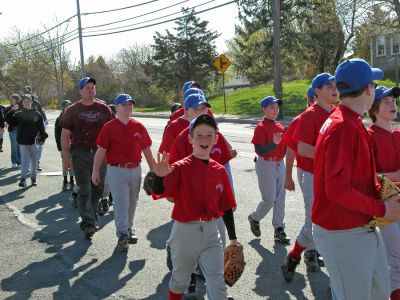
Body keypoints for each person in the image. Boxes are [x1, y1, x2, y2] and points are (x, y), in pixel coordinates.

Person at [312, 58, 400, 300]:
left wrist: (382, 190)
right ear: (369, 89)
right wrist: (382, 208)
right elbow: (337, 189)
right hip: (341, 232)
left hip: (361, 226)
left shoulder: (350, 120)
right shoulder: (342, 127)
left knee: (379, 292)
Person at [152, 114, 239, 300]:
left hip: (212, 230)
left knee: (217, 282)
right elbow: (160, 191)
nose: (204, 139)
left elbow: (226, 207)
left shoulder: (220, 170)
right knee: (180, 281)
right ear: (190, 139)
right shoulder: (180, 167)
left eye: (209, 135)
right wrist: (159, 176)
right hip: (185, 231)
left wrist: (233, 239)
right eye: (199, 135)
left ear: (216, 139)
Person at [281, 73, 337, 280]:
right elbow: (299, 149)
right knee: (314, 222)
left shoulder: (338, 113)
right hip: (311, 174)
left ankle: (316, 256)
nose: (334, 89)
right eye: (328, 86)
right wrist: (288, 176)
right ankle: (297, 255)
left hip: (332, 174)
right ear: (317, 92)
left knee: (330, 220)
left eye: (335, 85)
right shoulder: (307, 117)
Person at [92, 93, 154, 251]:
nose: (128, 108)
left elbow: (147, 150)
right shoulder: (109, 127)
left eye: (130, 105)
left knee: (133, 201)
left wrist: (154, 171)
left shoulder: (138, 126)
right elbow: (100, 151)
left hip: (135, 169)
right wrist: (95, 171)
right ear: (116, 108)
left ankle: (128, 228)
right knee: (121, 202)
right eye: (124, 105)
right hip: (116, 170)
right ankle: (122, 233)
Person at [61, 77, 114, 240]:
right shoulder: (72, 110)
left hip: (100, 153)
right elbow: (65, 134)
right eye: (87, 87)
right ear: (80, 91)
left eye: (92, 87)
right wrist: (66, 158)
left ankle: (90, 216)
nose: (91, 90)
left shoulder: (104, 109)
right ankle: (88, 222)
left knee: (97, 188)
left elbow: (112, 131)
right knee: (84, 188)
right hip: (80, 153)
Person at [368, 85, 400, 300]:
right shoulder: (369, 135)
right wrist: (394, 174)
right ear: (375, 109)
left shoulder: (398, 133)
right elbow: (367, 175)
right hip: (384, 204)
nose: (393, 104)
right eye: (386, 101)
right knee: (396, 258)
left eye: (393, 100)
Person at [248, 96, 289, 244]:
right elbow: (260, 151)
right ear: (264, 109)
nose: (275, 110)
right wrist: (274, 144)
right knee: (270, 199)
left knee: (280, 199)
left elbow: (286, 148)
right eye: (271, 107)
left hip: (280, 164)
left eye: (276, 107)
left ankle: (279, 228)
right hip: (266, 164)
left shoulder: (279, 126)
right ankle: (254, 217)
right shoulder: (261, 127)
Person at [6, 94, 48, 187]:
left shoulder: (37, 114)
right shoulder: (19, 113)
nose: (27, 103)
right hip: (23, 141)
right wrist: (11, 111)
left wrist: (42, 138)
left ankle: (33, 178)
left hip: (34, 141)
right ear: (23, 103)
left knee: (34, 161)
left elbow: (41, 128)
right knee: (25, 160)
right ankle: (23, 179)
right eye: (25, 101)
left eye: (28, 101)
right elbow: (9, 120)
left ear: (31, 102)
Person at [22, 86, 47, 172]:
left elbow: (41, 112)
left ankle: (36, 164)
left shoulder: (37, 103)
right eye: (25, 91)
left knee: (39, 147)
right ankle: (28, 166)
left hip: (36, 128)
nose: (27, 92)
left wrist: (45, 120)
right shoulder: (21, 103)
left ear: (31, 92)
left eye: (29, 91)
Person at [55, 100, 74, 191]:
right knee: (65, 163)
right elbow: (57, 135)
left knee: (72, 164)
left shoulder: (74, 117)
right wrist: (60, 147)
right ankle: (65, 181)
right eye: (66, 106)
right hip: (64, 146)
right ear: (63, 108)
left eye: (69, 106)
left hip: (73, 145)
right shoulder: (59, 119)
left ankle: (71, 180)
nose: (68, 107)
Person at [4, 94, 22, 167]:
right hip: (12, 129)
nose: (11, 101)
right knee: (14, 146)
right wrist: (12, 110)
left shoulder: (21, 108)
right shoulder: (8, 108)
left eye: (13, 99)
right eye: (10, 99)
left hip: (20, 130)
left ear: (17, 100)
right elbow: (5, 117)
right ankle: (14, 161)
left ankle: (19, 162)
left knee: (19, 147)